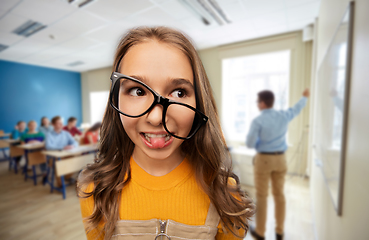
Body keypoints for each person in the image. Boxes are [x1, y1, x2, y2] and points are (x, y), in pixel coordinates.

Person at [77, 27, 255, 240]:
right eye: (137, 91)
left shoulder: (226, 194)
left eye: (179, 92)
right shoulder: (94, 189)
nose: (155, 118)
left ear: (199, 102)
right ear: (115, 98)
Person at [246, 89, 310, 240]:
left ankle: (260, 232)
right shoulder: (283, 116)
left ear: (262, 103)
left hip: (264, 160)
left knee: (262, 196)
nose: (257, 104)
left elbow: (249, 143)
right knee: (279, 195)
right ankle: (280, 232)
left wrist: (260, 143)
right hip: (281, 159)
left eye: (257, 102)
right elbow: (296, 109)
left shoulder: (258, 121)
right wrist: (304, 98)